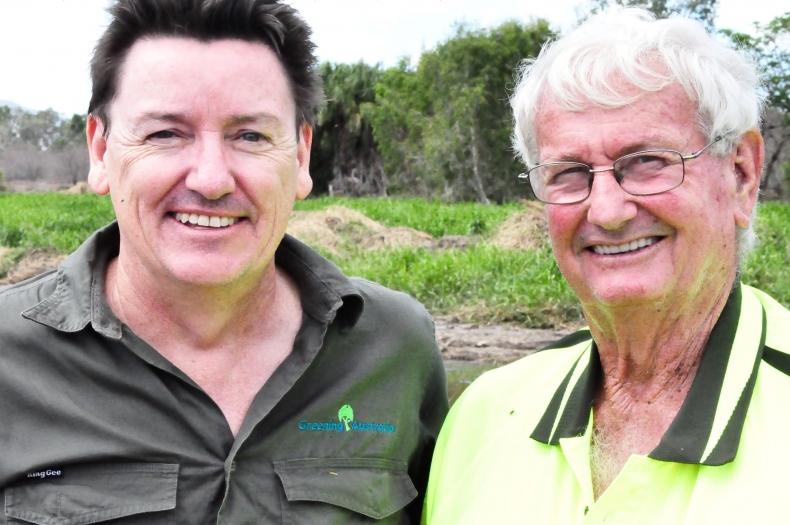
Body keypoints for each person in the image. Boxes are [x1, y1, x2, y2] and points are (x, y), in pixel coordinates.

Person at [0, 0, 448, 522]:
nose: (211, 179)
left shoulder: (396, 346)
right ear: (100, 152)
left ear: (301, 156)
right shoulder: (8, 359)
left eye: (250, 136)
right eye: (165, 133)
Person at [422, 9, 789, 524]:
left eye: (646, 162)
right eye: (569, 173)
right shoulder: (481, 417)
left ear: (742, 175)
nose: (607, 211)